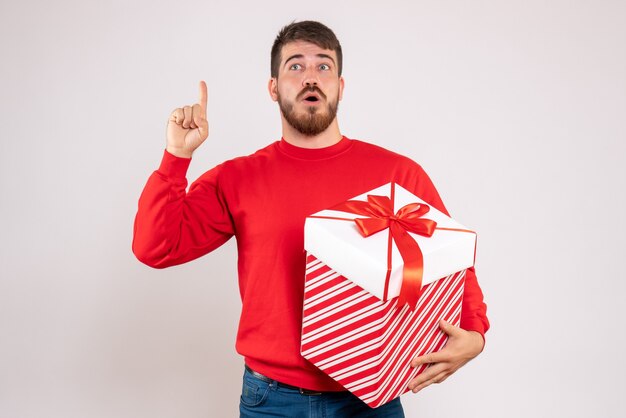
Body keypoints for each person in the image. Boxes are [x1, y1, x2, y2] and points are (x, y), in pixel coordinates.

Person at [133, 20, 489, 418]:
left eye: (323, 66)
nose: (310, 78)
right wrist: (175, 159)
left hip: (370, 396)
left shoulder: (397, 174)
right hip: (271, 399)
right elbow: (155, 247)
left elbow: (451, 263)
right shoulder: (236, 178)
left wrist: (475, 332)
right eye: (295, 66)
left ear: (340, 85)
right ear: (273, 88)